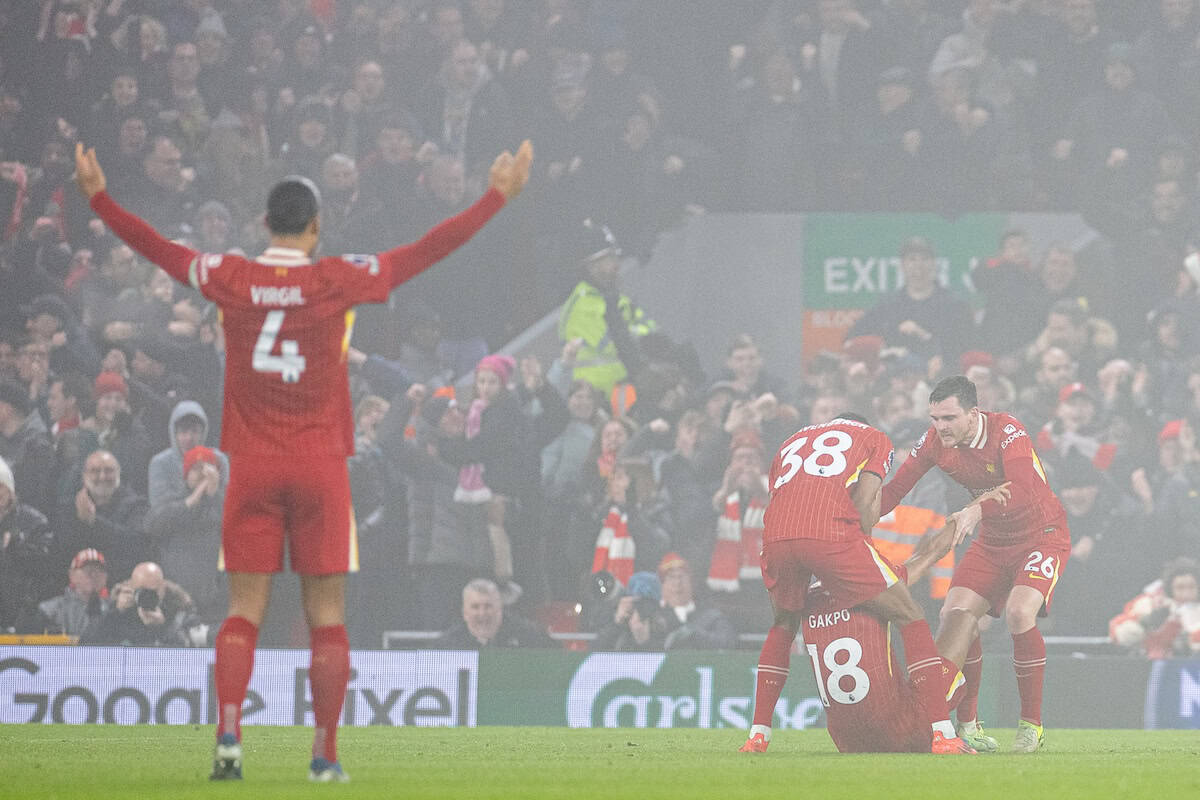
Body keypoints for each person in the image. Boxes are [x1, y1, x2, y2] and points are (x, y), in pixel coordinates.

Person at [74, 137, 532, 782]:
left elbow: (159, 248)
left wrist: (99, 197)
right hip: (320, 468)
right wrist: (494, 198)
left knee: (243, 612)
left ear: (265, 224)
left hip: (252, 468)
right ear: (316, 228)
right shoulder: (336, 278)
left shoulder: (230, 276)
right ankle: (324, 755)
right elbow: (425, 251)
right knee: (326, 616)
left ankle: (229, 740)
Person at [740, 413, 975, 755]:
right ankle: (944, 733)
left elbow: (781, 495)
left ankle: (758, 736)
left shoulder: (790, 442)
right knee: (911, 614)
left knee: (782, 625)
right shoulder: (874, 437)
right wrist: (860, 549)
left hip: (776, 534)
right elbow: (865, 503)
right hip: (831, 533)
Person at [881, 375, 1070, 753]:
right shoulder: (935, 442)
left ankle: (1031, 725)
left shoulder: (1008, 431)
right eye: (935, 418)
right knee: (956, 614)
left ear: (973, 413)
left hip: (1041, 534)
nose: (940, 427)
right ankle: (968, 724)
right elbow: (893, 492)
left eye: (949, 418)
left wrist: (974, 510)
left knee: (1019, 612)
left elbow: (1022, 490)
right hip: (993, 541)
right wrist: (848, 518)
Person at [801, 487, 1010, 753]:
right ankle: (967, 727)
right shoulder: (874, 581)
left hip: (847, 743)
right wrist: (976, 507)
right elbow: (931, 552)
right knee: (963, 620)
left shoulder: (808, 593)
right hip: (906, 729)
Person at [436, 578, 552, 649]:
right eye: (475, 607)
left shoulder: (529, 636)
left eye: (488, 606)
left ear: (500, 609)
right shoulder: (448, 645)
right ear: (465, 613)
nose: (482, 613)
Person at [36, 547, 111, 637]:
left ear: (106, 578)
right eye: (88, 570)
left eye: (99, 571)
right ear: (71, 575)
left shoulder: (112, 609)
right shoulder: (50, 610)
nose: (94, 575)